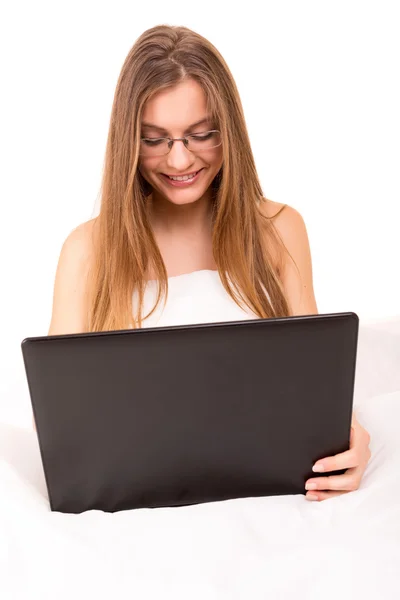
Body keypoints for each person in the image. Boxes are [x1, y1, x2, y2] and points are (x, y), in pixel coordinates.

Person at [45, 24, 371, 501]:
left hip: (265, 496)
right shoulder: (87, 250)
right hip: (137, 503)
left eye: (201, 135)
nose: (179, 161)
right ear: (126, 143)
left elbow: (315, 386)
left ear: (230, 131)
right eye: (154, 139)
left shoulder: (279, 229)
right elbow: (59, 417)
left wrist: (352, 439)